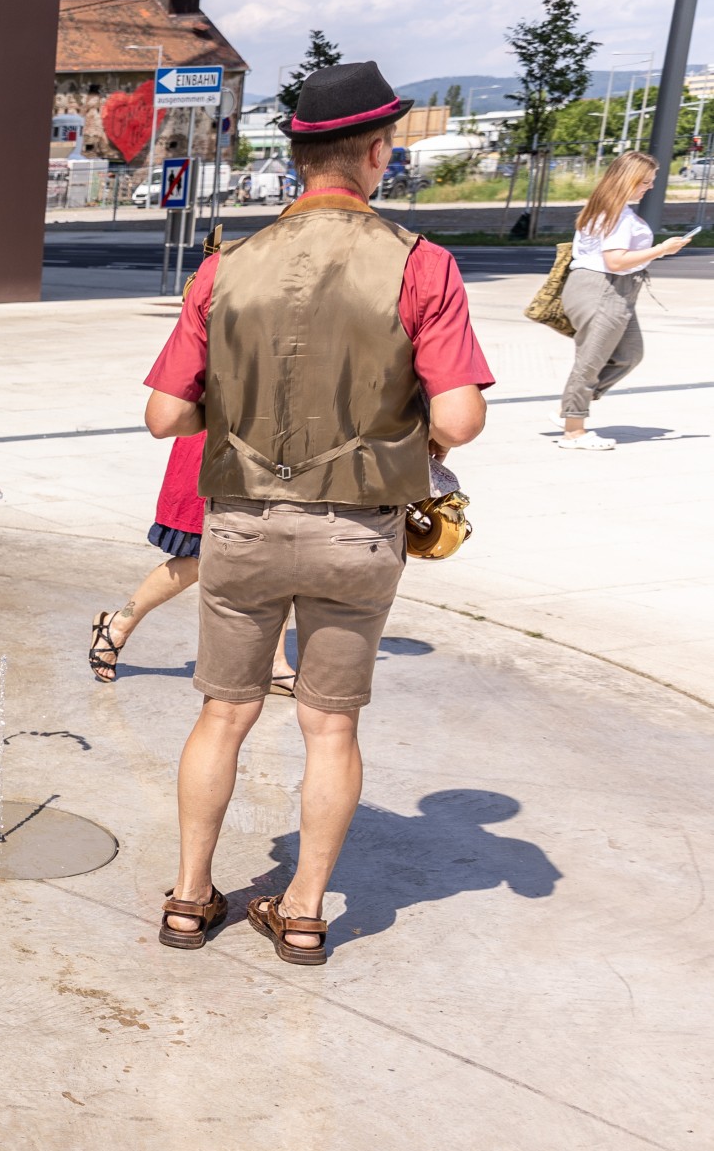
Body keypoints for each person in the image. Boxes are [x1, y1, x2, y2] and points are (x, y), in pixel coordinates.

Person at [141, 61, 490, 965]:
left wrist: (246, 414)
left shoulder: (226, 267)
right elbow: (458, 417)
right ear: (378, 153)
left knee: (223, 712)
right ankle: (301, 912)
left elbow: (166, 416)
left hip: (244, 521)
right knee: (330, 724)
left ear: (298, 160)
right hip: (358, 529)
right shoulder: (424, 265)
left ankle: (187, 899)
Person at [90, 432, 296, 696]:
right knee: (200, 556)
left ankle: (274, 663)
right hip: (220, 450)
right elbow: (166, 413)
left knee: (275, 553)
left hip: (273, 451)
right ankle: (119, 624)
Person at [558, 150, 691, 451]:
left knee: (629, 354)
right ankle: (573, 431)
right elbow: (616, 261)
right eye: (645, 181)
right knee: (591, 359)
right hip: (603, 287)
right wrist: (661, 250)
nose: (650, 186)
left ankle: (571, 406)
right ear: (628, 180)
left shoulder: (611, 208)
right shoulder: (615, 214)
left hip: (613, 288)